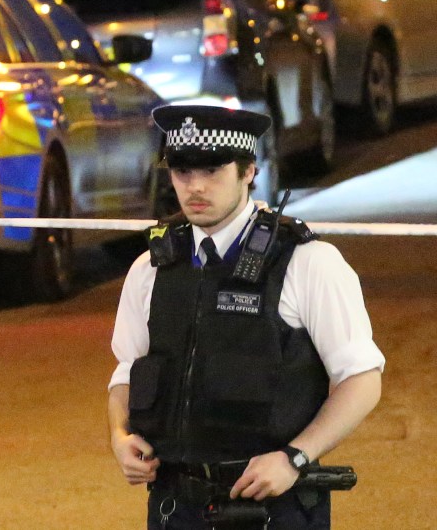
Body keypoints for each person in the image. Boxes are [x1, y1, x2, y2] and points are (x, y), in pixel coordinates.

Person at [107, 104, 384, 529]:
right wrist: (120, 437)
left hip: (274, 507)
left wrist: (295, 457)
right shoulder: (150, 268)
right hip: (175, 506)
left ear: (248, 171)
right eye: (182, 172)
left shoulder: (308, 262)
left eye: (214, 171)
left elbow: (362, 379)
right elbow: (127, 371)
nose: (196, 186)